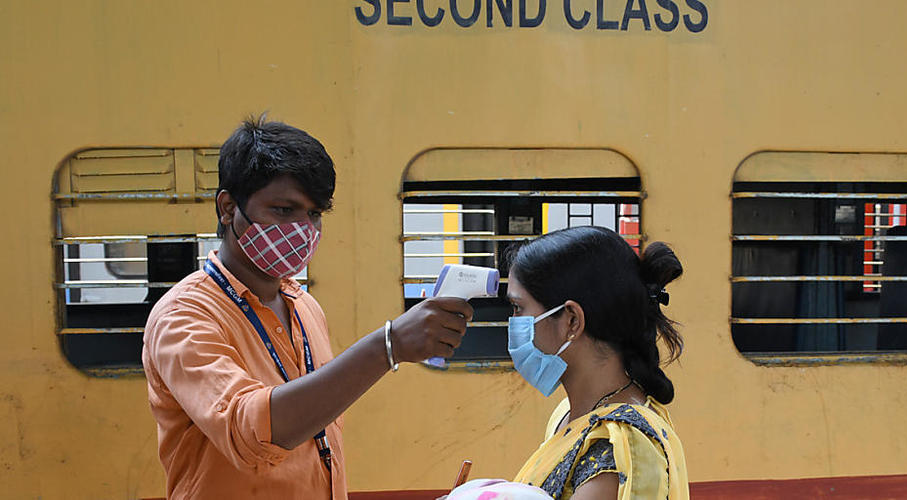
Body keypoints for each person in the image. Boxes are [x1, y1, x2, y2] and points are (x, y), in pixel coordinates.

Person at [141, 116, 473, 499]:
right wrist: (387, 346)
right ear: (228, 208)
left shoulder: (305, 307)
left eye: (315, 214)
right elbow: (249, 432)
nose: (303, 229)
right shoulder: (184, 316)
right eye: (284, 210)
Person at [506, 226, 689, 500]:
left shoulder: (618, 447)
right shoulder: (569, 414)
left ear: (572, 321)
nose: (512, 323)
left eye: (518, 308)